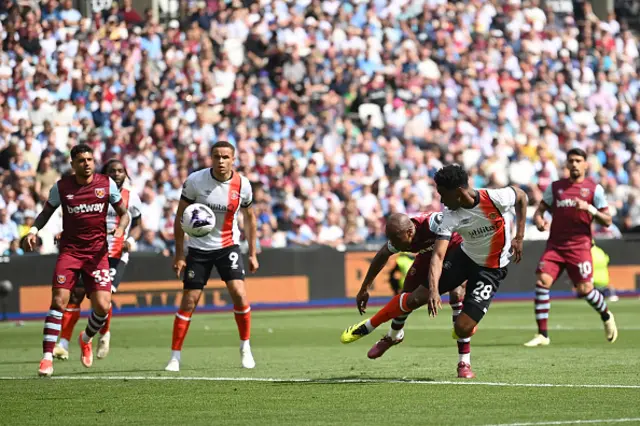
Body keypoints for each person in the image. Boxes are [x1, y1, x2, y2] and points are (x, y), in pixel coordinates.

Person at [341, 165, 527, 377]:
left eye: (442, 194)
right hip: (463, 258)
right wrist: (434, 289)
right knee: (413, 297)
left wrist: (519, 236)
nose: (441, 200)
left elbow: (521, 196)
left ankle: (464, 349)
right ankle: (372, 328)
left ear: (457, 191)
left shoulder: (495, 198)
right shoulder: (449, 217)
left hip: (490, 269)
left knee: (462, 327)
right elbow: (437, 256)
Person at [24, 144, 130, 377]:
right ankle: (46, 358)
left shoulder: (106, 184)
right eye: (82, 160)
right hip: (70, 253)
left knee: (103, 306)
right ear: (73, 164)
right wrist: (33, 231)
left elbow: (124, 213)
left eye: (90, 159)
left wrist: (120, 230)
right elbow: (46, 212)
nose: (87, 163)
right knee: (59, 301)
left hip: (97, 254)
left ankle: (85, 338)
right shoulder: (61, 187)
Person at [165, 141, 259, 372]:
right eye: (216, 156)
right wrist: (179, 255)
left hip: (228, 246)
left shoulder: (243, 185)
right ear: (211, 158)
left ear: (233, 160)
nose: (221, 161)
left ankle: (245, 346)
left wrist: (253, 253)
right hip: (198, 249)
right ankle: (175, 356)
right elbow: (180, 218)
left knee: (239, 293)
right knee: (189, 300)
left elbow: (250, 219)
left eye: (225, 157)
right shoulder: (195, 181)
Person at [353, 212, 474, 378]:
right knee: (407, 297)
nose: (393, 245)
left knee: (456, 294)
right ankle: (394, 336)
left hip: (455, 250)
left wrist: (434, 289)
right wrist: (364, 288)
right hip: (429, 255)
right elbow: (381, 255)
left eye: (396, 240)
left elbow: (441, 254)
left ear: (409, 233)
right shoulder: (401, 234)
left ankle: (464, 363)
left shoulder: (433, 224)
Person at [525, 148, 617, 347]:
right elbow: (540, 211)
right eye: (571, 161)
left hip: (580, 247)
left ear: (585, 164)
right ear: (566, 164)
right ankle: (543, 334)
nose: (574, 164)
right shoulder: (556, 187)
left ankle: (606, 314)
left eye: (578, 160)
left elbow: (608, 220)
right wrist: (540, 221)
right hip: (556, 246)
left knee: (585, 290)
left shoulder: (594, 189)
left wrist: (590, 208)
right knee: (542, 282)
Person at [53, 158, 142, 361]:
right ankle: (64, 344)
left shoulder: (132, 197)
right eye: (112, 171)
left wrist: (130, 239)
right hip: (90, 251)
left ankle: (101, 335)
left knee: (104, 296)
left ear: (126, 174)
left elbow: (137, 223)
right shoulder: (94, 192)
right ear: (104, 173)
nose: (117, 174)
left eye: (120, 170)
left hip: (117, 254)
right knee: (76, 295)